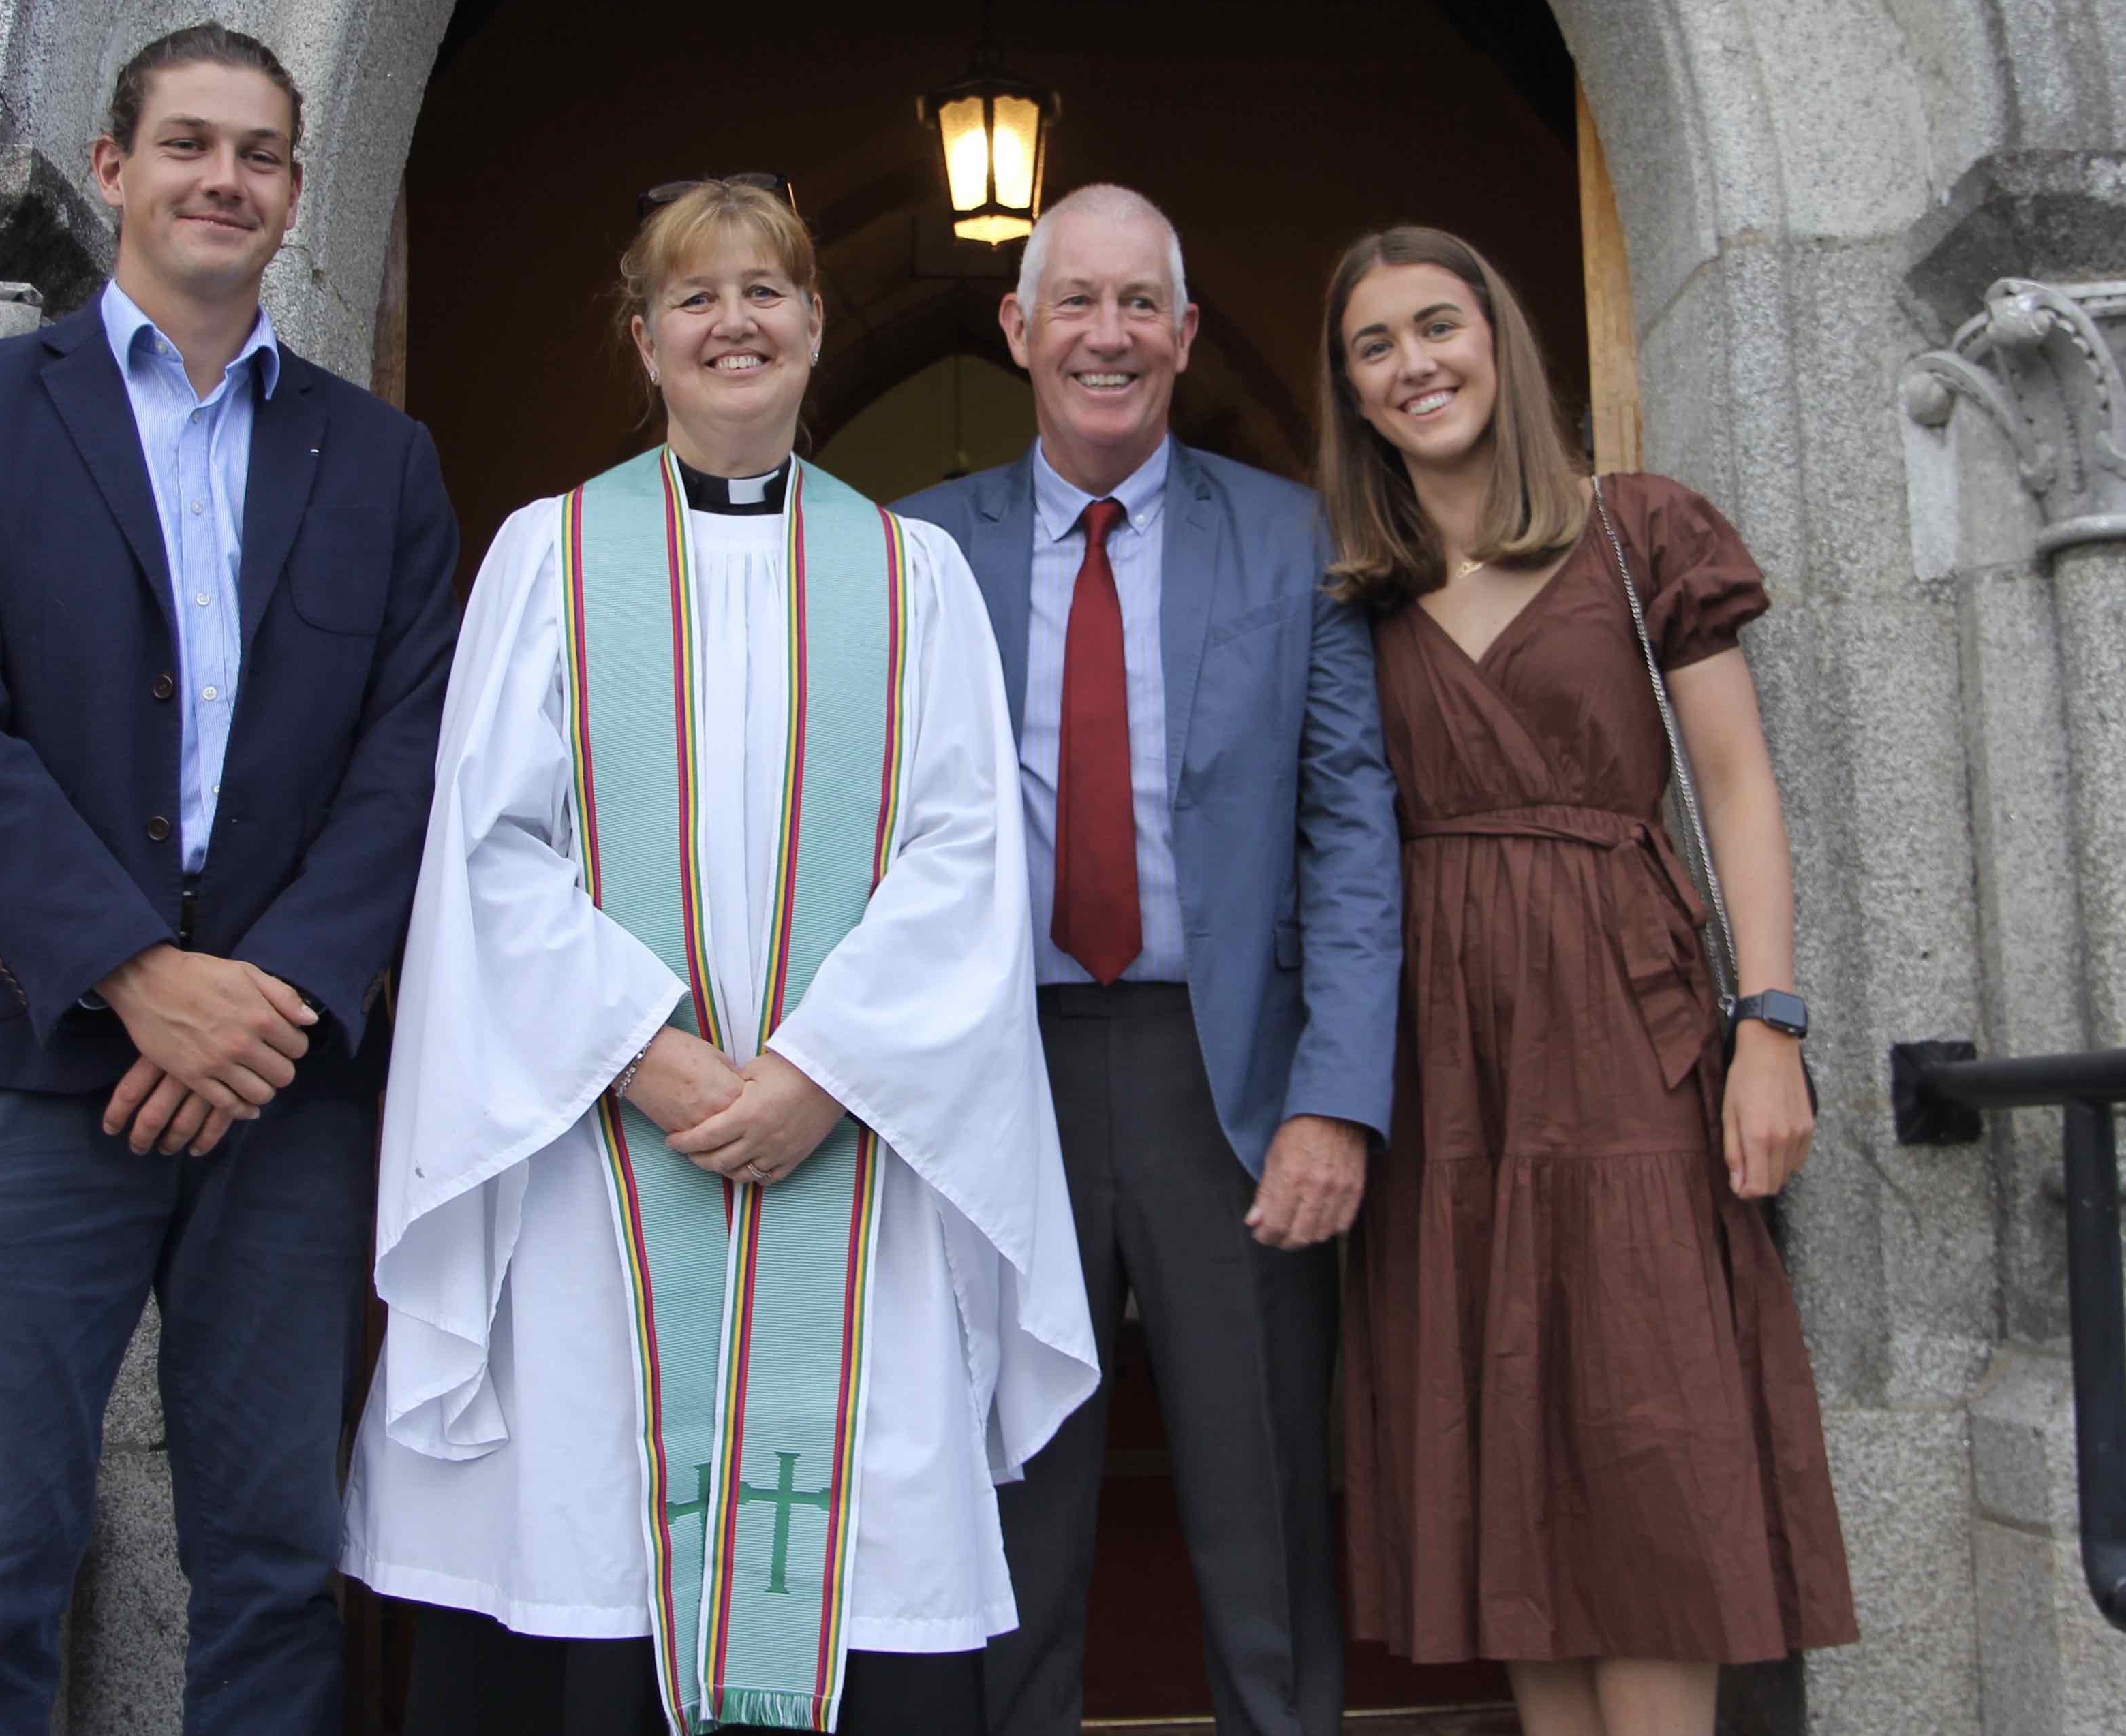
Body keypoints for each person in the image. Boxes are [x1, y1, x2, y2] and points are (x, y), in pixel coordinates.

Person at [341, 176, 1096, 1736]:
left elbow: (966, 856)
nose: (734, 320)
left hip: (851, 1150)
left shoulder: (912, 577)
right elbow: (488, 848)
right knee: (596, 1558)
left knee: (857, 1547)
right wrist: (652, 1055)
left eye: (767, 291)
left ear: (818, 326)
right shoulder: (546, 558)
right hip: (604, 1148)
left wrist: (819, 1070)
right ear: (644, 339)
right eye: (695, 296)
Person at [0, 22, 462, 1733]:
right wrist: (141, 976)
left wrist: (257, 1004)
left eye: (261, 153)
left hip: (283, 1079)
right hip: (31, 1052)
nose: (226, 178)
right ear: (114, 168)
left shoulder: (381, 460)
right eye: (189, 143)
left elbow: (406, 755)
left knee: (276, 1561)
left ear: (292, 195)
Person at [1321, 224, 1857, 1736]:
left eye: (1442, 324)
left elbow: (1739, 788)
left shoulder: (1637, 531)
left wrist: (1773, 1023)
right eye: (1378, 345)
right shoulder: (1353, 586)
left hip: (1630, 1025)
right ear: (1352, 392)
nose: (1416, 362)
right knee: (1500, 1448)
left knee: (1646, 1419)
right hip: (1439, 1052)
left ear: (1502, 341)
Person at [897, 183, 1403, 1736]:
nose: (1106, 334)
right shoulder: (915, 549)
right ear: (1020, 326)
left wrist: (1336, 1099)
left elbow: (1351, 831)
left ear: (1184, 336)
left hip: (1227, 1069)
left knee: (1259, 1491)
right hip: (998, 1070)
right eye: (1076, 301)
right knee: (1011, 1487)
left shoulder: (1291, 532)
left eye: (1139, 305)